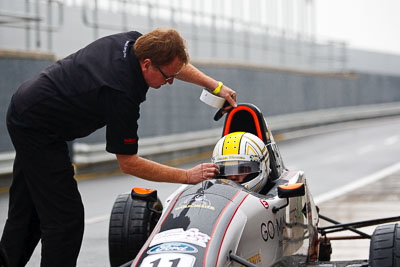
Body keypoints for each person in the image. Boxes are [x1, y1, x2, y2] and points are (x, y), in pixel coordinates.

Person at [1, 28, 237, 267]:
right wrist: (187, 176)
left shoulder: (136, 42)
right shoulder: (121, 90)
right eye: (167, 77)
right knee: (65, 219)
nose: (171, 82)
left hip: (28, 108)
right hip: (37, 127)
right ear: (146, 65)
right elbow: (128, 163)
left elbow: (172, 63)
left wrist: (214, 86)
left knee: (25, 214)